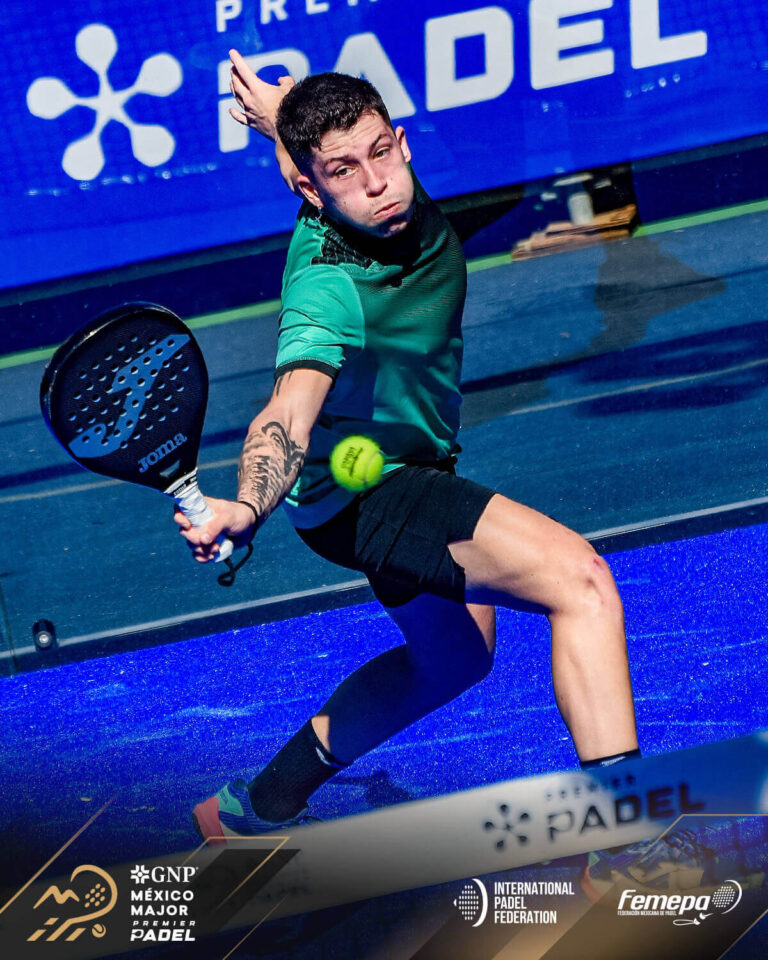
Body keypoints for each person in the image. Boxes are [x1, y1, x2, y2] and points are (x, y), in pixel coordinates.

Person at [184, 52, 640, 842]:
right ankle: (625, 841)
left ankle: (258, 805)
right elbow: (287, 413)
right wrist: (248, 504)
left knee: (456, 659)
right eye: (343, 172)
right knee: (582, 583)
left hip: (415, 460)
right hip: (363, 494)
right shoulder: (327, 288)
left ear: (401, 143)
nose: (376, 185)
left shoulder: (382, 183)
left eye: (381, 154)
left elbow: (325, 146)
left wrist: (280, 115)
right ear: (310, 191)